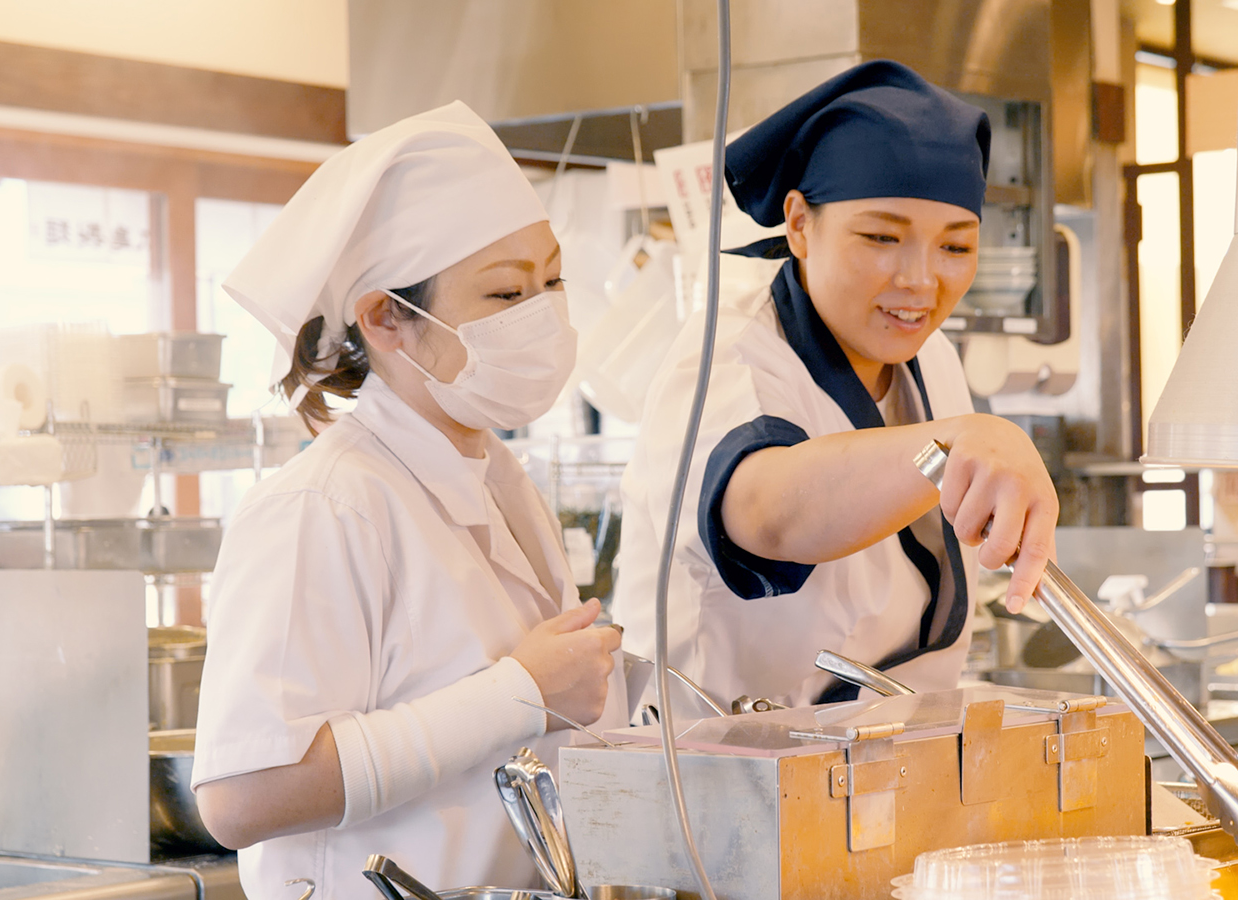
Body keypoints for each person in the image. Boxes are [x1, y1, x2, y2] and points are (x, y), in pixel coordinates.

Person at [191, 102, 624, 900]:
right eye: (504, 295)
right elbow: (241, 797)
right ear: (388, 318)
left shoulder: (498, 479)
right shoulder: (326, 506)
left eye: (551, 282)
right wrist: (521, 692)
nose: (543, 317)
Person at [613, 61, 1059, 709]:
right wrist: (963, 438)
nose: (921, 281)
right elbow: (768, 513)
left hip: (879, 759)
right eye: (882, 237)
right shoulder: (728, 351)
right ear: (798, 224)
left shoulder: (932, 360)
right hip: (718, 766)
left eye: (956, 248)